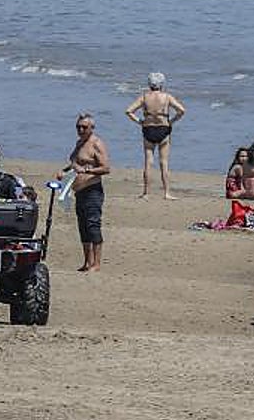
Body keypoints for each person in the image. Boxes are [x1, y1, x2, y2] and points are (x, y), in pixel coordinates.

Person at [57, 113, 111, 272]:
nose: (80, 130)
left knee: (93, 224)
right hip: (79, 191)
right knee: (82, 226)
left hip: (92, 190)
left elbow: (106, 168)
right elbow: (75, 163)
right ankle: (87, 261)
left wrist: (87, 170)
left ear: (92, 128)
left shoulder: (97, 144)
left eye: (84, 127)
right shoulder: (79, 143)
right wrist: (64, 170)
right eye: (78, 127)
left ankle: (97, 264)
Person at [124, 72, 187, 200]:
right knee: (164, 163)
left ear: (149, 84)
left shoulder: (144, 97)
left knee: (148, 162)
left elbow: (129, 111)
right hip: (163, 128)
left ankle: (146, 193)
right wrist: (172, 121)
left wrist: (139, 121)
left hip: (148, 129)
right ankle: (167, 193)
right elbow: (182, 110)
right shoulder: (167, 97)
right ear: (162, 84)